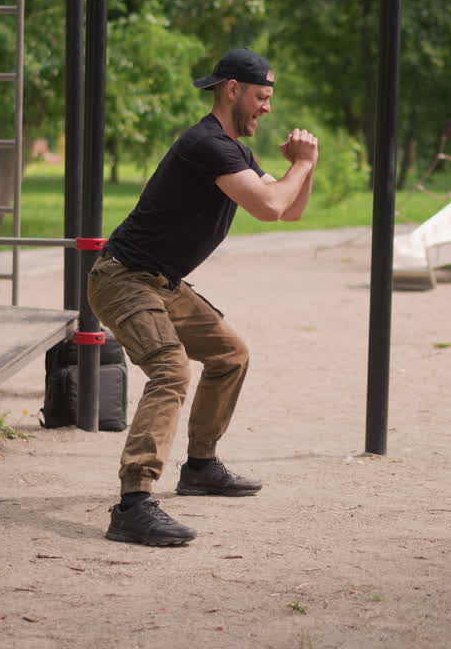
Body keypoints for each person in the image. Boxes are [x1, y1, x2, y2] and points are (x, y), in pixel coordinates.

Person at [87, 48, 319, 546]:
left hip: (161, 282)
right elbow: (270, 203)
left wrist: (308, 166)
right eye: (262, 97)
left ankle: (200, 466)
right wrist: (299, 163)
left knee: (229, 355)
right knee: (171, 370)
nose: (267, 108)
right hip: (124, 279)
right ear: (232, 89)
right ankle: (133, 504)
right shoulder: (208, 145)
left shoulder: (233, 150)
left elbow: (288, 212)